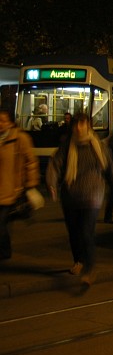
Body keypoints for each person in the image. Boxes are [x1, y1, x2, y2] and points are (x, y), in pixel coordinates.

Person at [46, 113, 113, 287]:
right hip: (71, 195)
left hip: (92, 195)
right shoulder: (66, 146)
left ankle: (89, 268)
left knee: (86, 231)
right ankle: (78, 260)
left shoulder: (99, 147)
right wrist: (51, 183)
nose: (79, 128)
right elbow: (55, 164)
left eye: (83, 124)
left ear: (89, 125)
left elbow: (111, 170)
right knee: (74, 232)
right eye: (76, 125)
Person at [0, 109, 41, 261]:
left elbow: (30, 162)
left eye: (3, 120)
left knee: (1, 224)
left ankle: (4, 251)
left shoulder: (20, 139)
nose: (0, 124)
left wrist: (30, 184)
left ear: (10, 122)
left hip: (11, 191)